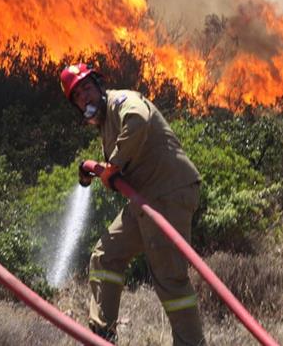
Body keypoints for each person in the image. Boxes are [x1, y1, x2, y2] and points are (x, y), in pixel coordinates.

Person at [60, 63, 205, 346]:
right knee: (105, 255)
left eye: (87, 88)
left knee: (169, 278)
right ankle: (102, 335)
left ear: (100, 86)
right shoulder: (105, 123)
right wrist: (102, 169)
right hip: (145, 200)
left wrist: (112, 165)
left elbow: (138, 119)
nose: (84, 98)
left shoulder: (122, 101)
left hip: (168, 193)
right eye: (77, 96)